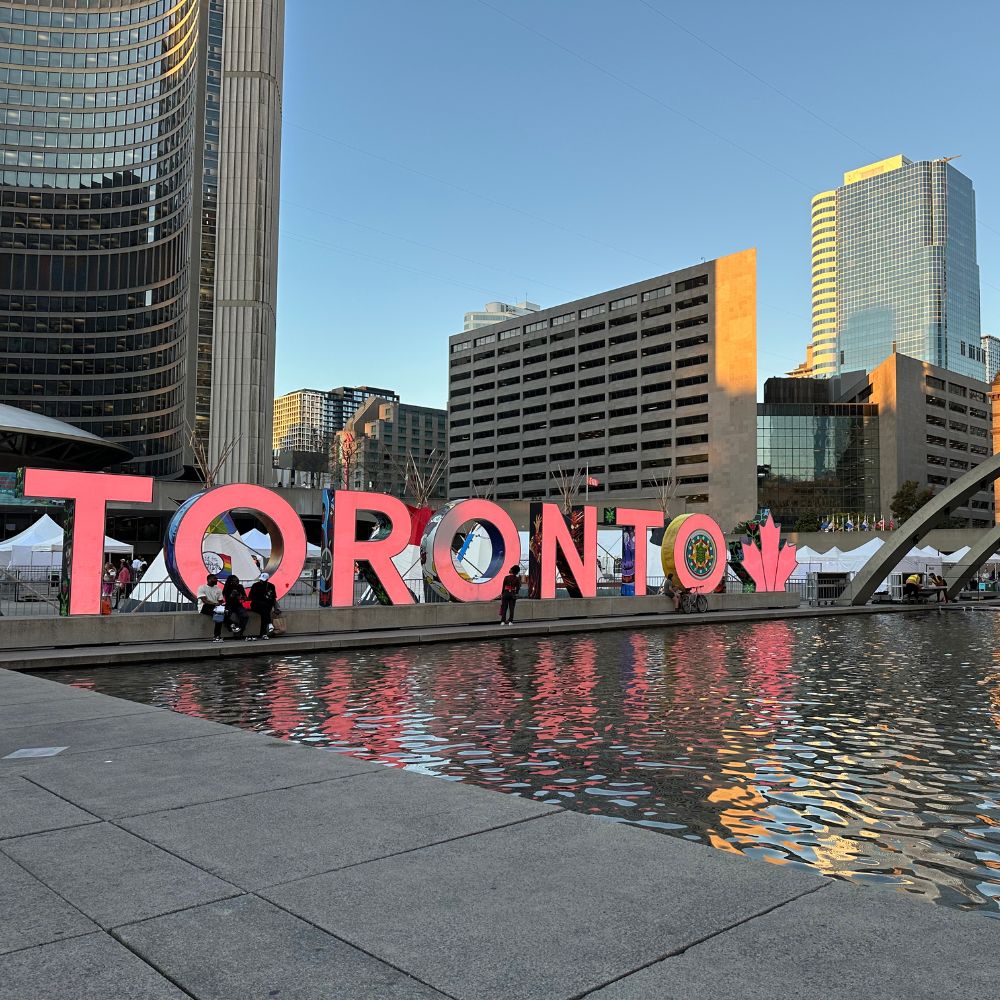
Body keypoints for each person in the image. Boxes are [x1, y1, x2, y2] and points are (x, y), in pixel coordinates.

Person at [196, 573, 226, 641]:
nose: (217, 580)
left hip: (215, 606)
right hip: (204, 607)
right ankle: (231, 626)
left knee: (221, 614)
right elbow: (205, 601)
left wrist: (222, 604)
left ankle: (217, 636)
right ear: (209, 580)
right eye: (215, 579)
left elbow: (220, 601)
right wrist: (216, 604)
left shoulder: (218, 589)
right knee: (219, 614)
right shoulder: (202, 587)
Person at [249, 572, 278, 639]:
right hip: (256, 605)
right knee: (265, 611)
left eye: (263, 580)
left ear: (267, 579)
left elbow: (273, 598)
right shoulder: (255, 585)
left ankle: (264, 633)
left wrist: (275, 607)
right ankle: (266, 629)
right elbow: (251, 597)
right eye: (261, 580)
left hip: (267, 606)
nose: (262, 581)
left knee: (264, 612)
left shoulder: (271, 586)